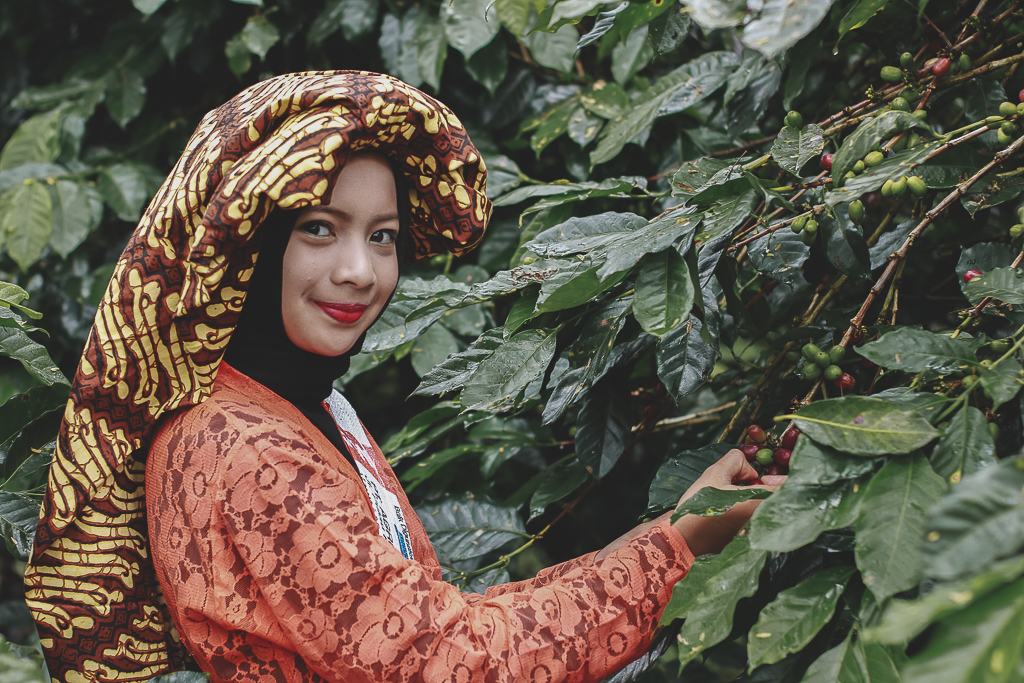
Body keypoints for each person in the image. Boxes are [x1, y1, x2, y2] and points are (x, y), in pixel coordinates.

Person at [24, 71, 781, 683]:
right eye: (319, 228)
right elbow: (454, 665)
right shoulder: (245, 445)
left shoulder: (296, 405)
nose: (360, 271)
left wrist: (677, 528)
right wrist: (681, 544)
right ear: (250, 244)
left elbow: (432, 622)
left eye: (382, 236)